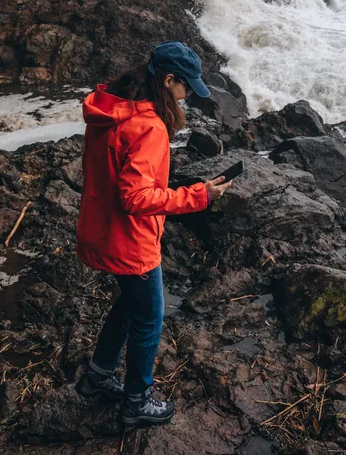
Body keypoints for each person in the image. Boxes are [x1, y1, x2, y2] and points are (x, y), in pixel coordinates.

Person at [74, 41, 232, 428]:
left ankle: (97, 376)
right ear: (167, 79)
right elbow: (135, 196)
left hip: (102, 228)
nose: (189, 95)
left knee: (129, 305)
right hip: (131, 241)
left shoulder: (110, 109)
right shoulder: (148, 127)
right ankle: (137, 402)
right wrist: (199, 195)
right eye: (186, 87)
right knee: (149, 317)